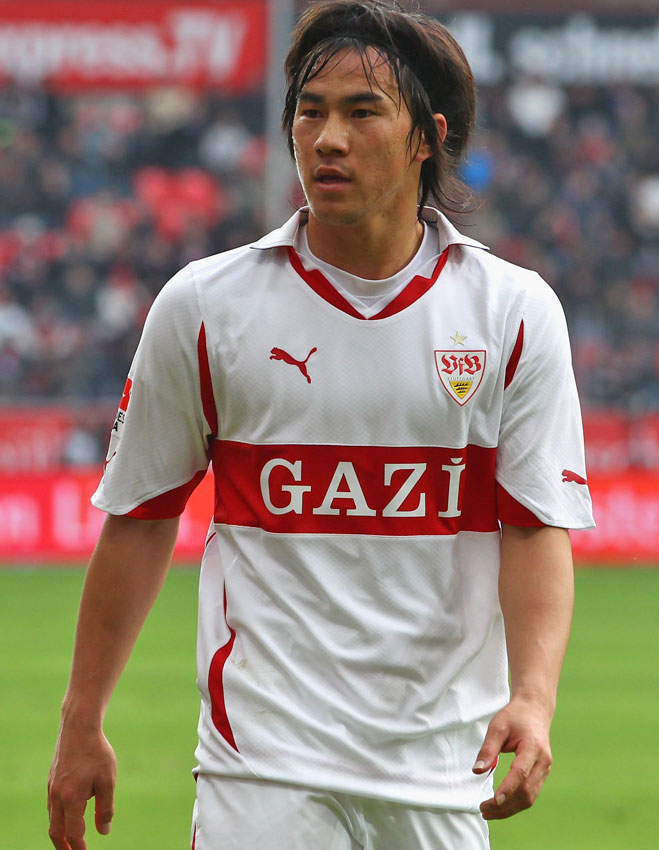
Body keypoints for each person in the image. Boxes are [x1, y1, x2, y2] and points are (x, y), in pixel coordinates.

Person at [47, 2, 594, 849]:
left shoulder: (512, 312)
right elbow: (141, 517)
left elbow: (531, 528)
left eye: (362, 112)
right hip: (260, 772)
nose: (327, 139)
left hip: (440, 772)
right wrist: (81, 719)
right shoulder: (206, 305)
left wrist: (534, 696)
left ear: (427, 138)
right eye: (310, 112)